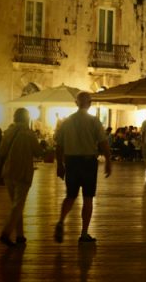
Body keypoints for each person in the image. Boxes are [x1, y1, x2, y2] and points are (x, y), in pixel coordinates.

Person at [53, 91, 112, 244]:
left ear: (76, 103)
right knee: (88, 198)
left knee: (70, 196)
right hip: (88, 163)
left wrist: (60, 165)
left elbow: (59, 146)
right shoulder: (94, 121)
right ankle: (84, 233)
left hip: (71, 162)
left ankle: (61, 221)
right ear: (90, 103)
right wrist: (108, 162)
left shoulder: (67, 122)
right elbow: (103, 143)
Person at [0, 107, 43, 246]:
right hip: (23, 172)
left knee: (16, 205)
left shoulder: (8, 132)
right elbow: (37, 152)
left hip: (8, 172)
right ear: (27, 118)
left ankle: (20, 235)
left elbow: (1, 151)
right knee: (18, 204)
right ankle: (6, 232)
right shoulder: (29, 134)